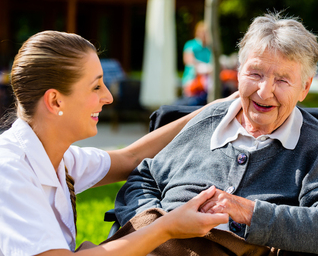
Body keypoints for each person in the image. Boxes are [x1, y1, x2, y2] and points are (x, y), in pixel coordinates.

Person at [115, 12, 318, 255]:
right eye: (255, 73)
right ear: (239, 72)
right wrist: (151, 227)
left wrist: (249, 212)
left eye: (282, 80)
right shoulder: (208, 120)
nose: (264, 92)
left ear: (304, 87)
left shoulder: (314, 144)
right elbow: (143, 177)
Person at [0, 30, 236, 256]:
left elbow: (130, 158)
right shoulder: (9, 170)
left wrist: (215, 110)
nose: (108, 97)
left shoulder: (56, 156)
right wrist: (167, 227)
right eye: (95, 86)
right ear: (55, 101)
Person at [176, 21, 212, 106]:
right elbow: (188, 60)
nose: (205, 35)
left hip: (205, 83)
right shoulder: (190, 45)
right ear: (198, 32)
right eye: (204, 32)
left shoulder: (209, 48)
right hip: (192, 80)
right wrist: (205, 67)